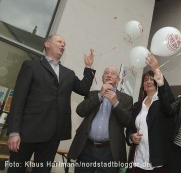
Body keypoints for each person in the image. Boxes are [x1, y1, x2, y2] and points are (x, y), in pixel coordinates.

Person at [7, 34, 95, 173]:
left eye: (64, 43)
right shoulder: (31, 66)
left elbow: (84, 90)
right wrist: (13, 131)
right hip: (27, 132)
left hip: (53, 135)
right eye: (59, 41)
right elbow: (18, 100)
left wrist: (88, 66)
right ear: (47, 44)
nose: (63, 45)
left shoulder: (68, 74)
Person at [67, 65, 133, 173]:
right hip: (86, 148)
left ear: (118, 79)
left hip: (110, 150)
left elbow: (128, 121)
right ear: (102, 78)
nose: (109, 75)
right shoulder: (92, 94)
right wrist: (99, 95)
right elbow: (80, 111)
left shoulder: (126, 99)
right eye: (106, 73)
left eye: (113, 73)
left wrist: (116, 103)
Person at [125, 70, 174, 173]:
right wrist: (131, 137)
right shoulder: (137, 105)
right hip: (138, 159)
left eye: (152, 79)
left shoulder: (164, 105)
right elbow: (130, 128)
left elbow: (169, 101)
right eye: (146, 79)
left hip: (157, 162)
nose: (149, 81)